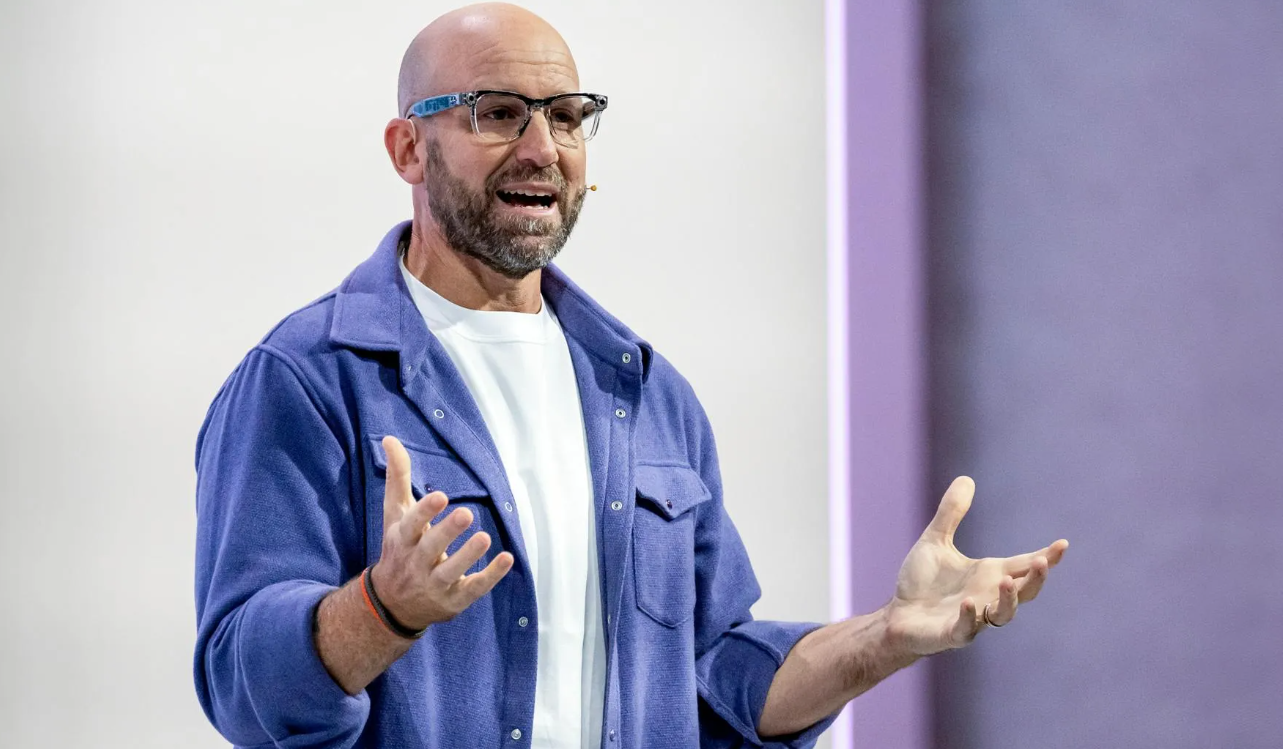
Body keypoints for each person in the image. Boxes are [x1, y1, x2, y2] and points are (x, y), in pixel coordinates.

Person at [192, 4, 1069, 748]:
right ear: (407, 149)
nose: (542, 148)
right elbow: (240, 685)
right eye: (498, 113)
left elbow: (715, 677)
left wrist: (887, 635)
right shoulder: (305, 380)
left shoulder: (646, 395)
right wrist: (382, 609)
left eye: (567, 116)